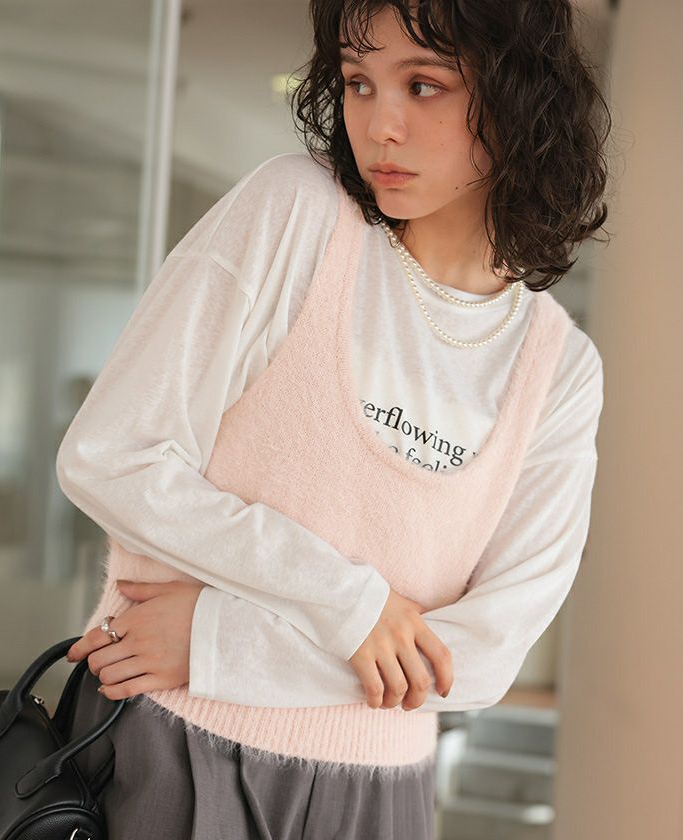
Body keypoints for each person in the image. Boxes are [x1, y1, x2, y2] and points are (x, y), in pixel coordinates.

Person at [56, 1, 611, 837]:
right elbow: (111, 457)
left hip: (379, 796)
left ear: (518, 100)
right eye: (358, 82)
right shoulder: (297, 214)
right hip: (175, 742)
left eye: (423, 85)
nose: (379, 124)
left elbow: (487, 654)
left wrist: (219, 642)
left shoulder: (559, 368)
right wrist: (350, 606)